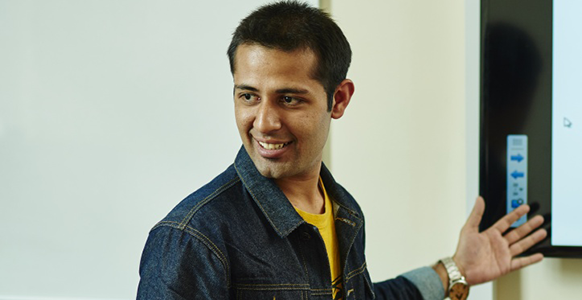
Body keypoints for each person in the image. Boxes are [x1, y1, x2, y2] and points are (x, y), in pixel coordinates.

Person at [135, 1, 547, 299]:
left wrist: (456, 270)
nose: (263, 122)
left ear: (339, 100)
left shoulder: (343, 210)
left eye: (289, 99)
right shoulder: (194, 238)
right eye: (248, 96)